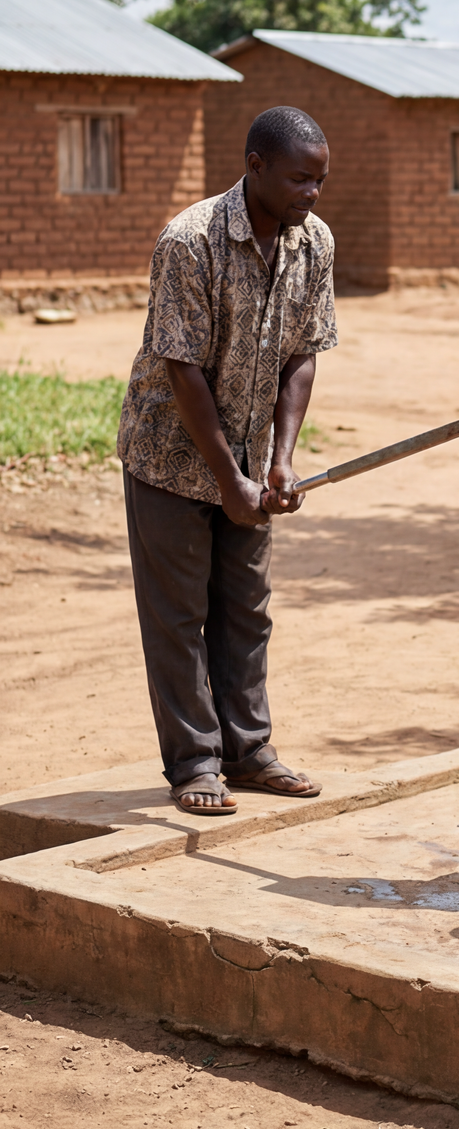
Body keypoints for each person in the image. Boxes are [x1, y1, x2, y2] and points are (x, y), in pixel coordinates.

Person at [116, 106, 336, 816]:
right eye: (299, 179)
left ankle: (247, 751)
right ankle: (195, 764)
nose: (311, 193)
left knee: (246, 610)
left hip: (247, 456)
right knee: (179, 616)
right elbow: (181, 369)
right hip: (169, 456)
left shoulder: (314, 243)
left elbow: (302, 354)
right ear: (255, 167)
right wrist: (225, 478)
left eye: (320, 181)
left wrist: (280, 461)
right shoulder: (190, 240)